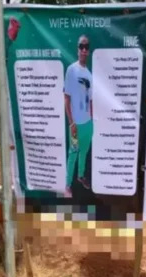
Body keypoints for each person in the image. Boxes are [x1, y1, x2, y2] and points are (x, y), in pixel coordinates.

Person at [64, 35, 94, 197]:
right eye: (81, 46)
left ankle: (81, 176)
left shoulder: (89, 74)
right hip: (75, 124)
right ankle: (67, 185)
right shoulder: (72, 70)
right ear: (77, 49)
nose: (84, 50)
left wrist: (92, 121)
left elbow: (91, 100)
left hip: (88, 124)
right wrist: (71, 123)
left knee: (84, 152)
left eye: (86, 47)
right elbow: (66, 98)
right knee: (73, 152)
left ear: (89, 51)